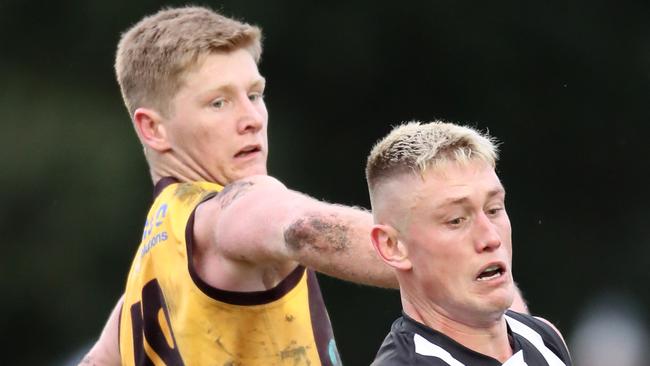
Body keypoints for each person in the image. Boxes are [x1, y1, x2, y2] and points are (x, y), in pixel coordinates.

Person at [79, 6, 528, 365]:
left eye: (254, 94)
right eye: (218, 102)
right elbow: (303, 227)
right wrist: (487, 296)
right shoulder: (235, 208)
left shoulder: (151, 269)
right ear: (153, 129)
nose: (252, 118)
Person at [366, 121, 571, 365]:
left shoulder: (543, 339)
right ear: (392, 246)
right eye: (456, 220)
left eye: (494, 209)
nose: (491, 238)